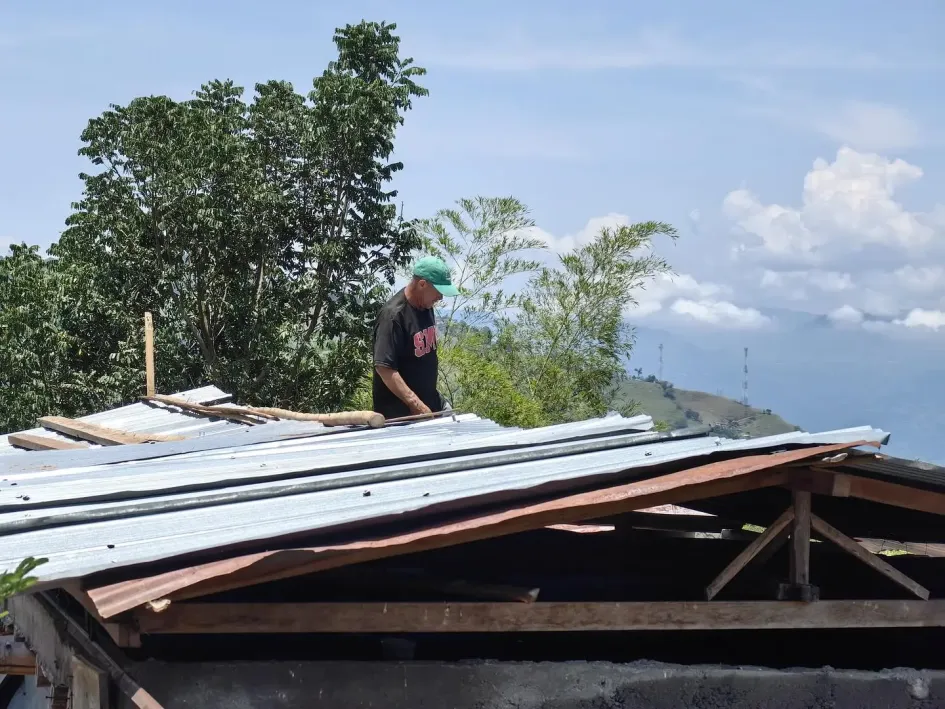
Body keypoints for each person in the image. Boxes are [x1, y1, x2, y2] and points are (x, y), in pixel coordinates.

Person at [372, 256, 459, 419]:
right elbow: (384, 367)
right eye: (439, 291)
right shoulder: (393, 316)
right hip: (401, 416)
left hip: (430, 404)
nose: (441, 297)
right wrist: (416, 404)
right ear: (422, 284)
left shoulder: (425, 305)